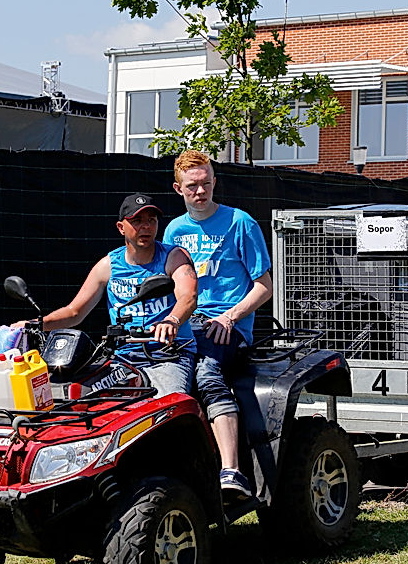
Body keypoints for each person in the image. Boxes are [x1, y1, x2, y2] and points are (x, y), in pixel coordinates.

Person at [164, 150, 273, 499]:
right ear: (178, 189)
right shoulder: (174, 230)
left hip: (227, 324)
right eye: (192, 186)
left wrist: (230, 317)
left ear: (215, 182)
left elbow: (265, 286)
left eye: (206, 183)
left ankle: (232, 471)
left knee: (207, 373)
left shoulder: (240, 223)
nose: (200, 191)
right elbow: (170, 288)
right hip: (188, 324)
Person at [23, 193, 198, 398]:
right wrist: (32, 325)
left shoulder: (174, 257)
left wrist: (172, 320)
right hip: (123, 360)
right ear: (121, 227)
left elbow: (188, 297)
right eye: (137, 221)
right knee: (78, 397)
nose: (146, 226)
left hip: (168, 355)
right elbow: (74, 312)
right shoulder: (108, 265)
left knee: (169, 406)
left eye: (151, 220)